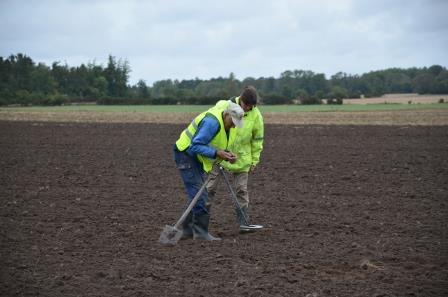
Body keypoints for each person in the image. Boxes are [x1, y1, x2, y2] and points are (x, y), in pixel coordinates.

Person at [174, 101, 244, 241]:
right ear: (226, 114)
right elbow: (195, 145)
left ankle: (188, 231)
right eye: (232, 121)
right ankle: (200, 233)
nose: (234, 125)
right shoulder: (212, 123)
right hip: (186, 155)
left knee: (197, 193)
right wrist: (217, 153)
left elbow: (215, 144)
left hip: (195, 158)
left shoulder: (227, 126)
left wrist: (227, 154)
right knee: (199, 193)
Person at [206, 86, 264, 233]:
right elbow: (210, 124)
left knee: (241, 190)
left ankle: (244, 223)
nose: (247, 110)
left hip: (242, 159)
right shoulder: (224, 105)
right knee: (209, 189)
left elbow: (257, 139)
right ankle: (200, 222)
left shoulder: (256, 115)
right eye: (246, 106)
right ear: (241, 100)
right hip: (220, 155)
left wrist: (254, 160)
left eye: (251, 107)